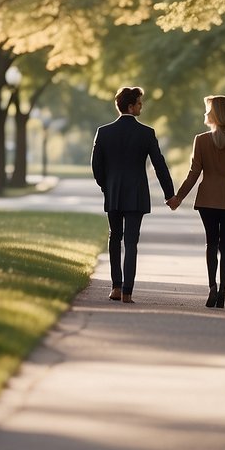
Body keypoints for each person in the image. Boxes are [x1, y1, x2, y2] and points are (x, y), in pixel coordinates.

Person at [91, 86, 177, 303]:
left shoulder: (104, 131)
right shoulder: (146, 133)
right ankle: (128, 291)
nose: (141, 106)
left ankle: (116, 287)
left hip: (113, 192)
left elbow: (96, 165)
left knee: (114, 238)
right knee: (131, 242)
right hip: (136, 194)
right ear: (131, 106)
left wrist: (105, 185)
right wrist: (170, 194)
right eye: (139, 103)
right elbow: (159, 165)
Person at [169, 95, 225, 309]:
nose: (205, 113)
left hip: (207, 199)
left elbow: (194, 173)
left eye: (208, 110)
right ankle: (223, 290)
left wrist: (178, 198)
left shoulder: (201, 140)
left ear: (215, 114)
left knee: (211, 244)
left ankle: (212, 286)